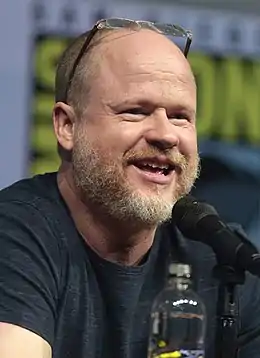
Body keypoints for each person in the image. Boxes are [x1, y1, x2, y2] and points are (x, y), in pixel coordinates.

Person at [0, 17, 259, 358]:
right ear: (67, 126)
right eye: (136, 111)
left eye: (181, 116)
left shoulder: (221, 258)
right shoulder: (17, 234)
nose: (166, 135)